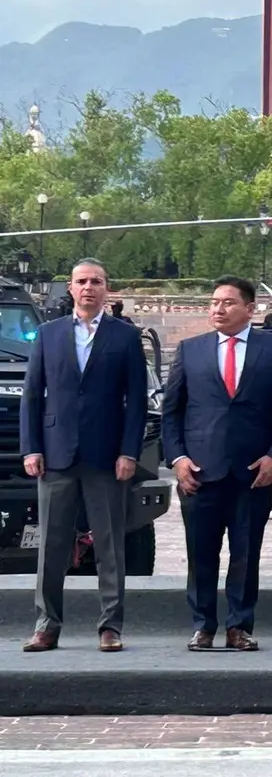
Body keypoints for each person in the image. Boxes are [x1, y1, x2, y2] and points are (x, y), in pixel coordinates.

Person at [161, 276, 272, 652]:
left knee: (245, 552)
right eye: (213, 303)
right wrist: (177, 459)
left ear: (249, 309)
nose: (217, 309)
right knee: (201, 553)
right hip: (200, 472)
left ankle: (239, 625)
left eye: (227, 303)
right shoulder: (190, 351)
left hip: (253, 472)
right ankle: (203, 625)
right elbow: (171, 413)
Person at [19, 258, 148, 653]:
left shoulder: (125, 337)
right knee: (51, 545)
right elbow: (31, 395)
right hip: (55, 453)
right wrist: (32, 447)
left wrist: (129, 451)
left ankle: (110, 625)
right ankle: (47, 625)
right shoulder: (48, 334)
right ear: (70, 289)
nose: (89, 287)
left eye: (97, 281)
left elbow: (137, 402)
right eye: (82, 281)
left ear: (107, 289)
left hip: (106, 456)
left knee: (110, 544)